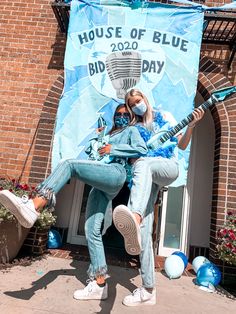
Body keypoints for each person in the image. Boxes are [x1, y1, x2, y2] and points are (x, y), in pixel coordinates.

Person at [0, 103, 148, 301]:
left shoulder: (130, 130)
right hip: (100, 182)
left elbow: (142, 148)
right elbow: (93, 156)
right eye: (118, 113)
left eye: (125, 114)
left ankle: (34, 206)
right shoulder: (107, 133)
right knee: (91, 231)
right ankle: (99, 282)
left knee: (69, 164)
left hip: (116, 173)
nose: (121, 116)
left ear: (130, 117)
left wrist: (114, 148)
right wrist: (97, 140)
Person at [113, 89, 205, 307]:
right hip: (147, 179)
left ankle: (133, 216)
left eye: (138, 101)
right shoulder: (135, 128)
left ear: (146, 99)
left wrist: (191, 126)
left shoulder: (165, 118)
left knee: (144, 163)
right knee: (144, 232)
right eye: (132, 104)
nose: (137, 106)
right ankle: (148, 289)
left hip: (167, 167)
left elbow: (181, 146)